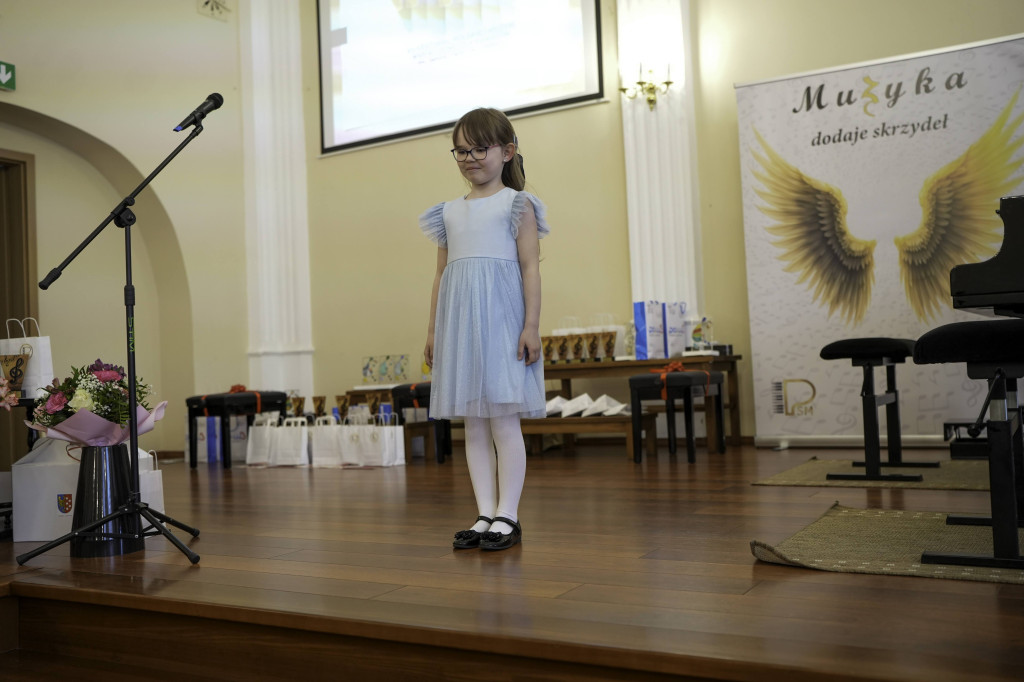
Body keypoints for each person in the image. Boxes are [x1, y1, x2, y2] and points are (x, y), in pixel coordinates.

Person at [420, 107, 549, 551]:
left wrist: (531, 325)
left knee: (503, 421)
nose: (469, 157)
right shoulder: (448, 213)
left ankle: (508, 515)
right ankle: (484, 512)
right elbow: (441, 276)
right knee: (473, 423)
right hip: (460, 324)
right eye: (461, 150)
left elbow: (530, 267)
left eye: (480, 148)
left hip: (501, 321)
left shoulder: (517, 204)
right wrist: (434, 330)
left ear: (506, 151)